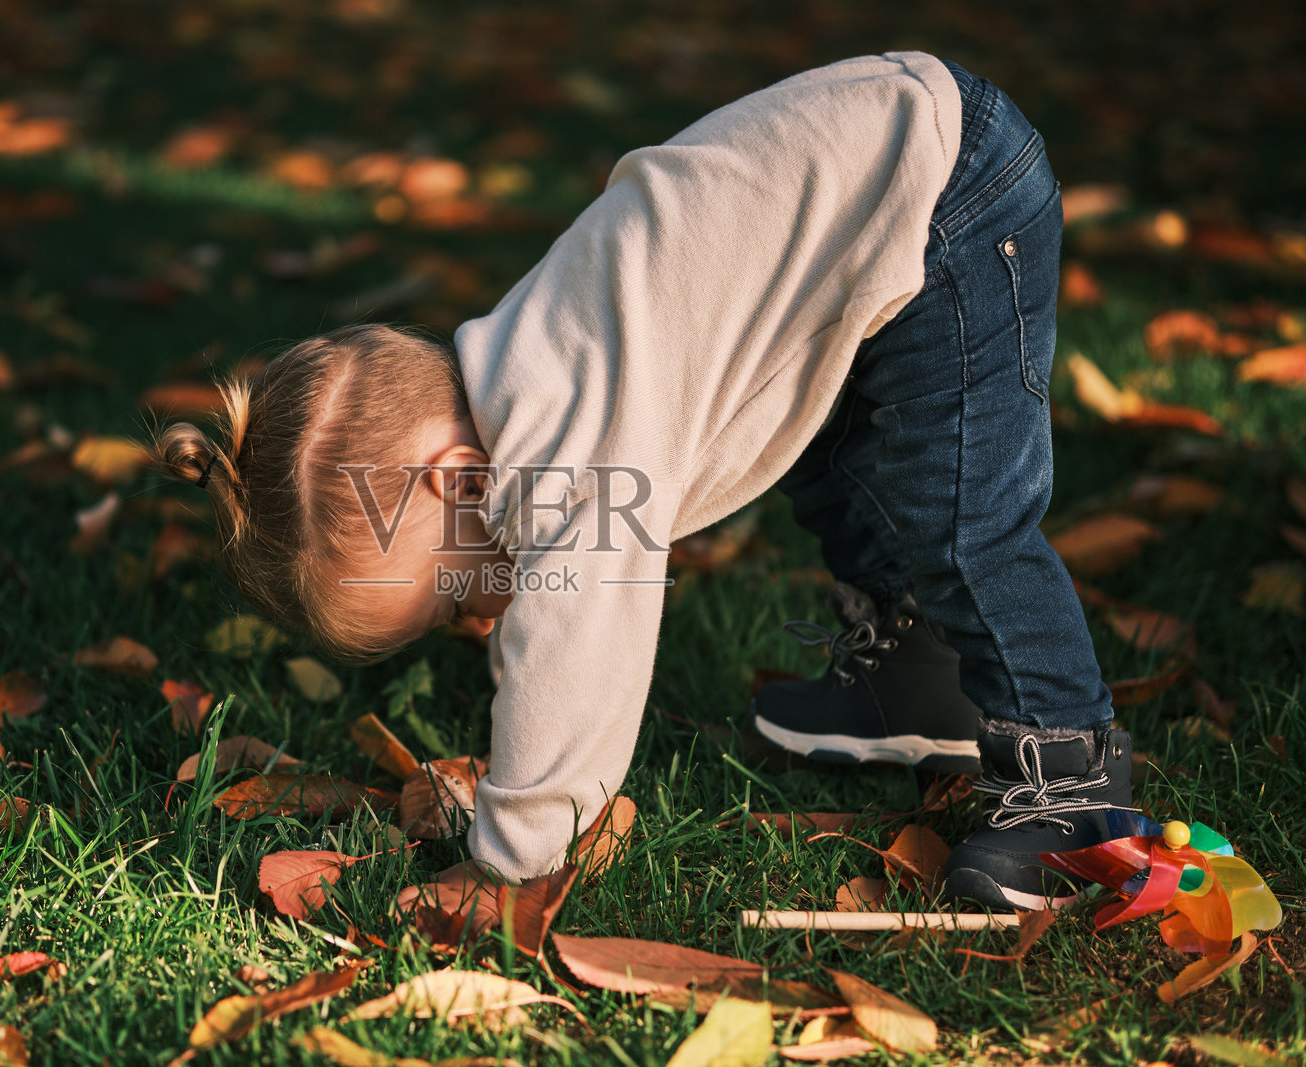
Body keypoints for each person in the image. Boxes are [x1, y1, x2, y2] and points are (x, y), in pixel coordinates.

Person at [155, 52, 1136, 911]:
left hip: (943, 192)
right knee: (843, 465)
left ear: (451, 479)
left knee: (962, 516)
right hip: (879, 188)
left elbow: (580, 639)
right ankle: (915, 679)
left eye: (447, 591)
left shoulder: (560, 432)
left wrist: (513, 859)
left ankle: (1071, 787)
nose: (473, 614)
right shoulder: (534, 365)